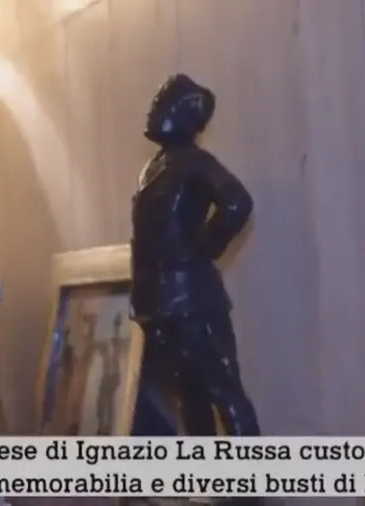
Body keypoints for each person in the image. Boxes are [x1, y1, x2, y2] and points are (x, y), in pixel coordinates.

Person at [129, 74, 262, 503]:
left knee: (224, 390)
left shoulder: (195, 164)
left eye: (161, 101)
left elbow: (237, 202)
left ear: (185, 114)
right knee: (189, 396)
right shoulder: (154, 166)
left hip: (194, 301)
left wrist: (205, 247)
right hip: (162, 305)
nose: (153, 110)